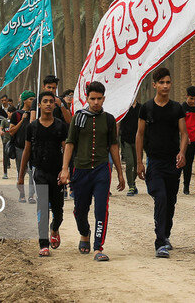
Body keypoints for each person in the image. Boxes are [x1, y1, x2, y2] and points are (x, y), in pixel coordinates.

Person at [59, 81, 126, 262]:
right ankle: (84, 233)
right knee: (79, 210)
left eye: (99, 99)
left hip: (102, 170)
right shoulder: (78, 117)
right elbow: (70, 143)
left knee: (101, 209)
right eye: (92, 98)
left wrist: (120, 172)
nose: (96, 102)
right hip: (80, 170)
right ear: (87, 98)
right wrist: (65, 169)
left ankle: (98, 247)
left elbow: (113, 146)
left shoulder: (110, 119)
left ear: (104, 99)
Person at [136, 68, 187, 258]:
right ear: (155, 84)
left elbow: (184, 134)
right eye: (162, 82)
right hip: (154, 162)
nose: (165, 86)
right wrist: (140, 162)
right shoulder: (146, 108)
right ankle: (160, 242)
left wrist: (182, 152)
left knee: (170, 201)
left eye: (168, 82)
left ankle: (165, 235)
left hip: (173, 162)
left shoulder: (176, 108)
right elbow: (139, 134)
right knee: (161, 197)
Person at [18, 91, 69, 257]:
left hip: (57, 173)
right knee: (42, 208)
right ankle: (43, 243)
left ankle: (54, 229)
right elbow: (27, 150)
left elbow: (66, 148)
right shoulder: (32, 127)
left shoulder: (61, 126)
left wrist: (66, 170)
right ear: (39, 105)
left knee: (58, 210)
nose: (48, 104)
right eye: (45, 101)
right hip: (39, 172)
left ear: (54, 105)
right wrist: (20, 176)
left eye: (51, 102)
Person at [10, 91, 36, 202]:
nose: (33, 101)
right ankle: (22, 195)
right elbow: (11, 131)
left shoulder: (35, 113)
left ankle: (31, 196)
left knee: (32, 173)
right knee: (21, 171)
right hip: (20, 147)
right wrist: (22, 120)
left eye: (34, 99)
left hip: (33, 148)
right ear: (24, 100)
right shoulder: (16, 114)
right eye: (30, 99)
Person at [119, 100, 141, 196]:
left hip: (137, 140)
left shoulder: (141, 108)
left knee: (136, 164)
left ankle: (133, 182)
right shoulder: (124, 107)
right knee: (130, 162)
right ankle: (131, 186)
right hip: (126, 139)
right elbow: (118, 123)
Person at [0, 106, 16, 179]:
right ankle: (5, 173)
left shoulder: (16, 121)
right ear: (7, 113)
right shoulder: (4, 121)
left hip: (15, 141)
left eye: (13, 113)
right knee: (5, 157)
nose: (11, 114)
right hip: (6, 141)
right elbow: (0, 128)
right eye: (10, 112)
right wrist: (1, 131)